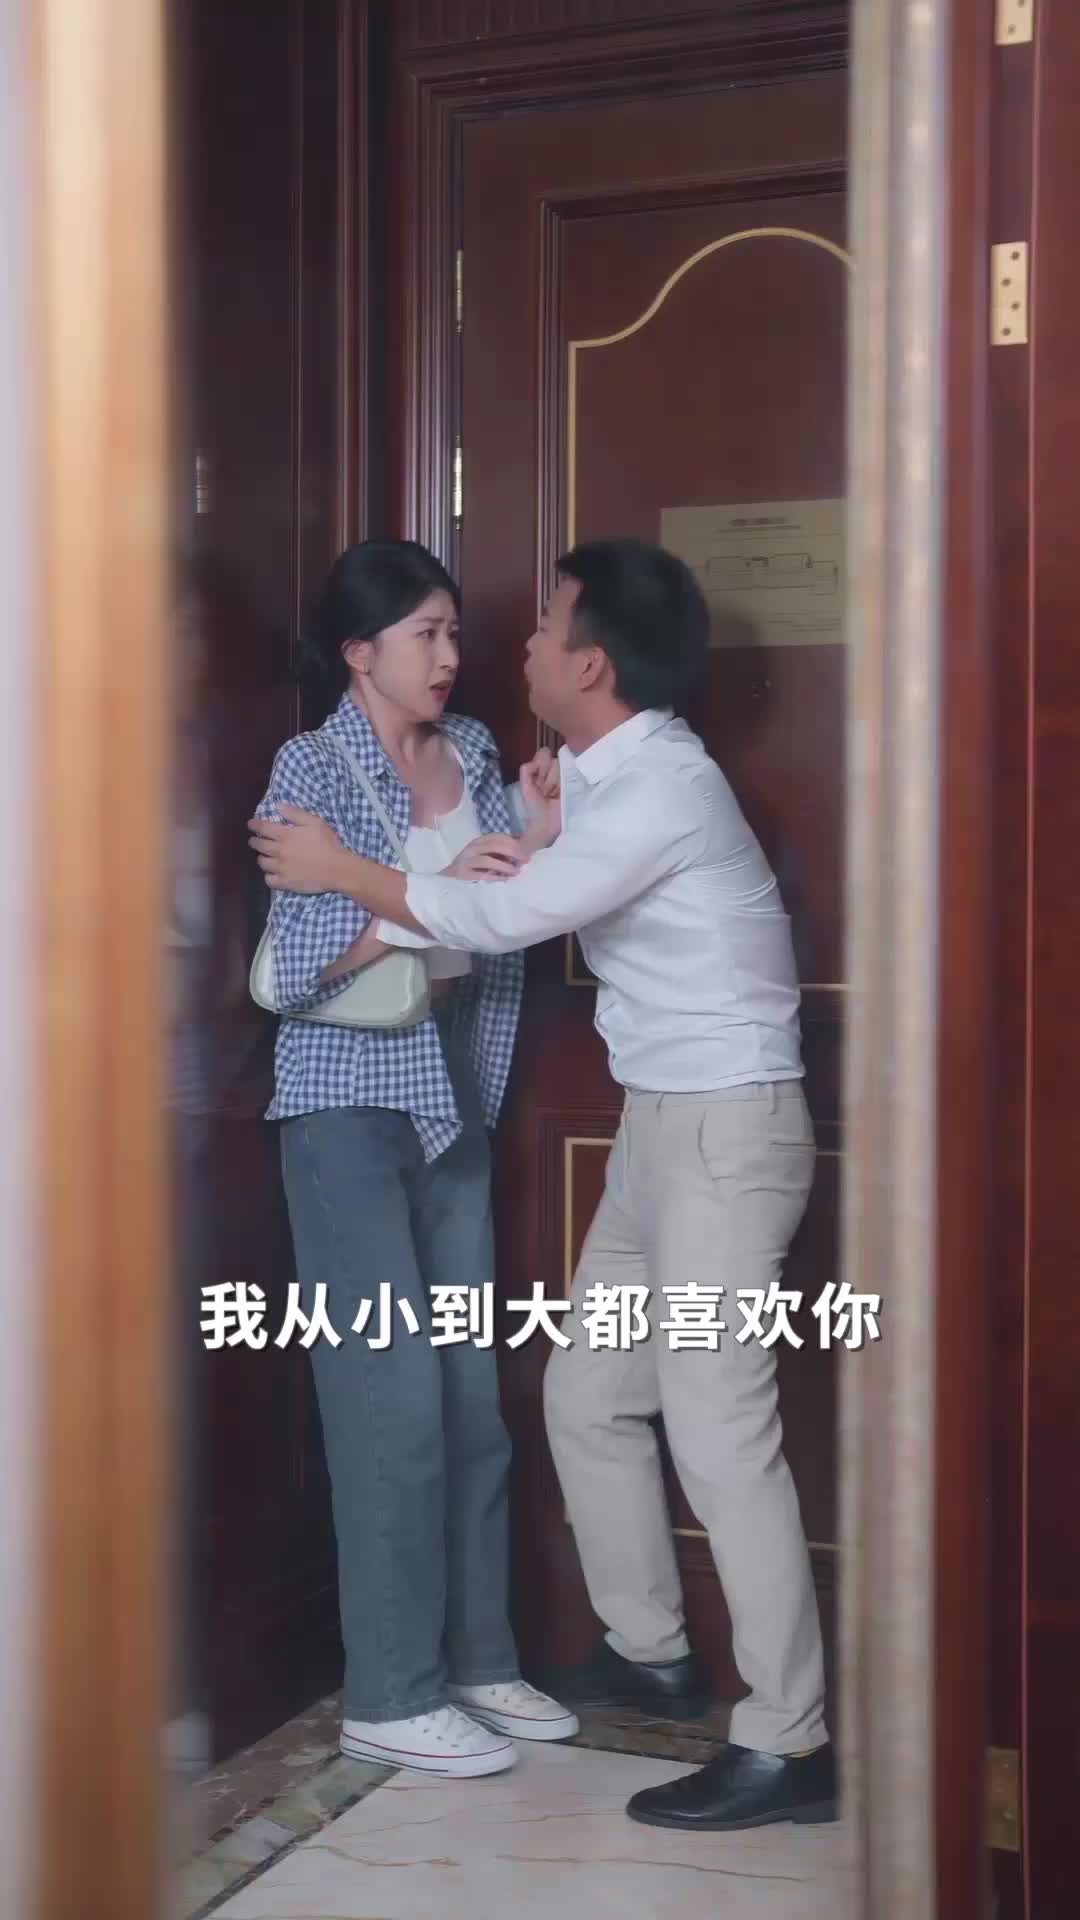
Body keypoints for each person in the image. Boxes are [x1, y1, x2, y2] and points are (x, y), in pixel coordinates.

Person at [249, 535, 836, 1833]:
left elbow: (502, 920)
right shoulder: (597, 779)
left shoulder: (663, 788)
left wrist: (352, 873)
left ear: (592, 662)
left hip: (726, 1138)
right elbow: (473, 897)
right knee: (585, 1393)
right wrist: (520, 839)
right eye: (436, 630)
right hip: (660, 1132)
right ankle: (652, 1650)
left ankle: (789, 1736)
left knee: (718, 1427)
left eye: (541, 622)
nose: (508, 645)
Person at [252, 538, 577, 1778]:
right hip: (344, 1104)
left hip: (454, 1091)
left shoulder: (478, 754)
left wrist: (532, 836)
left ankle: (478, 1657)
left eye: (453, 631)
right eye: (424, 634)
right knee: (387, 1399)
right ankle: (389, 1692)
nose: (449, 655)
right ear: (359, 651)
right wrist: (418, 896)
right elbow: (297, 971)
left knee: (469, 1401)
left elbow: (498, 917)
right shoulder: (312, 765)